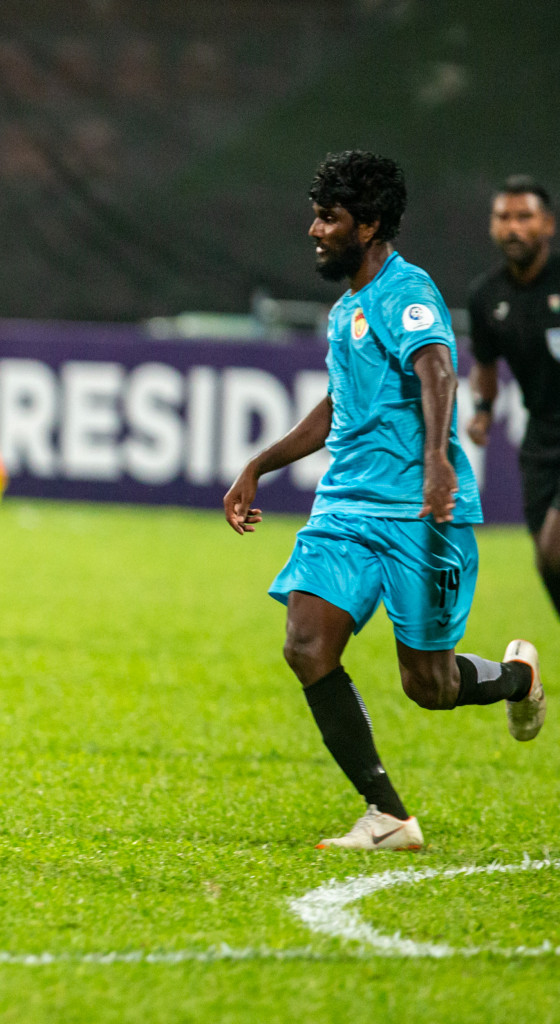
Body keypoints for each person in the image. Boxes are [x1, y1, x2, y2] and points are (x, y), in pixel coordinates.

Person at [223, 151, 544, 851]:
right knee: (306, 645)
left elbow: (437, 368)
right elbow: (341, 407)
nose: (314, 229)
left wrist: (435, 464)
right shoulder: (347, 311)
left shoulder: (406, 291)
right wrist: (260, 464)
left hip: (417, 516)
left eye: (329, 218)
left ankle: (517, 677)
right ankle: (388, 815)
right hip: (346, 511)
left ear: (368, 226)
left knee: (427, 684)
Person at [467, 176, 560, 615]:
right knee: (548, 562)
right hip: (541, 440)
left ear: (547, 226)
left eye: (524, 217)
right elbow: (485, 366)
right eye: (504, 217)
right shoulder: (486, 296)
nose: (512, 227)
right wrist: (483, 412)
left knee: (556, 547)